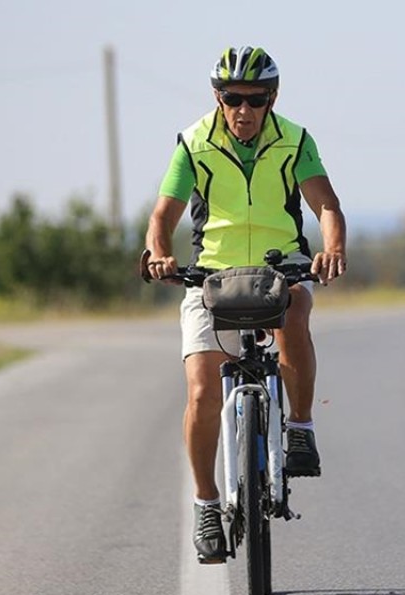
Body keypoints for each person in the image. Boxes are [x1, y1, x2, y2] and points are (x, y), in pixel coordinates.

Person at [143, 46, 347, 564]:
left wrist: (332, 249)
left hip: (282, 271)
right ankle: (207, 503)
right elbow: (163, 215)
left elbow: (325, 203)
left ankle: (300, 428)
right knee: (202, 390)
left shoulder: (295, 140)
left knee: (296, 312)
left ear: (271, 98)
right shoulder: (193, 143)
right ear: (218, 96)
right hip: (211, 277)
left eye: (256, 99)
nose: (244, 110)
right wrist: (160, 255)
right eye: (232, 98)